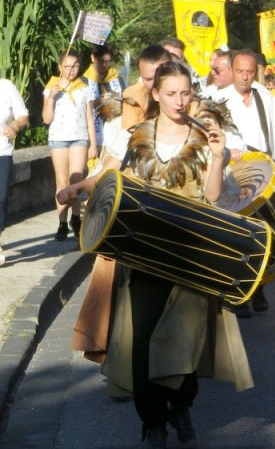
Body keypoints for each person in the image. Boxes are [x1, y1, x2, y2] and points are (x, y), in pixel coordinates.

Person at [57, 62, 253, 448]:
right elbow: (109, 174)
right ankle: (153, 421)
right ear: (157, 95)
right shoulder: (132, 136)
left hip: (191, 252)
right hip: (145, 251)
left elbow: (212, 197)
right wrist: (78, 187)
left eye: (186, 93)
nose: (180, 101)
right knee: (142, 339)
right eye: (172, 93)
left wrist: (217, 157)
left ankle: (181, 407)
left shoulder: (206, 136)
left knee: (184, 340)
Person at [215, 50, 275, 315]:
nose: (244, 76)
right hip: (231, 177)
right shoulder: (217, 99)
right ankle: (240, 294)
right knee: (236, 235)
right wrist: (224, 153)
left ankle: (258, 287)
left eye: (249, 72)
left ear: (257, 72)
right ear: (231, 70)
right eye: (240, 71)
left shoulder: (267, 99)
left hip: (262, 175)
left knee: (261, 234)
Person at [42, 50, 97, 241]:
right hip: (58, 138)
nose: (71, 70)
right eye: (67, 66)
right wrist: (51, 98)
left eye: (75, 65)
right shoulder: (52, 87)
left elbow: (90, 118)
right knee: (62, 181)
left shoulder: (84, 88)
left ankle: (76, 217)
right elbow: (46, 119)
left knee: (76, 179)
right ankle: (62, 222)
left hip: (79, 137)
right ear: (60, 67)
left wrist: (93, 143)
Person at [0, 78, 28, 266]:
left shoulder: (6, 86)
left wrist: (14, 126)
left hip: (2, 151)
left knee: (0, 199)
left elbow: (23, 116)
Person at [83, 44, 125, 153]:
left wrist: (116, 100)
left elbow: (125, 98)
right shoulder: (84, 80)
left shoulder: (116, 78)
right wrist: (94, 103)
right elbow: (79, 108)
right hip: (94, 132)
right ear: (93, 58)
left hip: (115, 127)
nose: (105, 65)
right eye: (101, 61)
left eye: (108, 61)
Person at [122, 45, 172, 130]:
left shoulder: (186, 96)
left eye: (158, 77)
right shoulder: (133, 96)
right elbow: (130, 135)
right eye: (148, 79)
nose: (154, 84)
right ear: (140, 74)